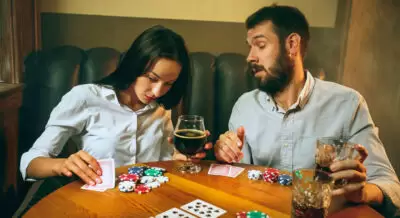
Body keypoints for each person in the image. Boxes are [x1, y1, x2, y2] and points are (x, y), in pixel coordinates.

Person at [214, 5, 400, 217]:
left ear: (292, 44)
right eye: (250, 47)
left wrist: (363, 192)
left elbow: (391, 187)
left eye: (261, 45)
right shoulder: (244, 106)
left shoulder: (348, 104)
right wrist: (225, 155)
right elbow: (238, 182)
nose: (250, 57)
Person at [20, 25, 211, 188]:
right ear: (135, 65)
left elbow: (163, 164)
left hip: (148, 203)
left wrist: (182, 158)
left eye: (169, 83)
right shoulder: (85, 97)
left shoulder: (161, 110)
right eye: (152, 78)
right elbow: (30, 163)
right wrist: (63, 165)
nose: (158, 91)